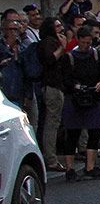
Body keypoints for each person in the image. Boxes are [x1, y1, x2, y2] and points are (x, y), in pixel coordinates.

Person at [59, 26, 100, 181]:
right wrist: (77, 87)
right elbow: (65, 79)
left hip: (94, 97)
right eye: (84, 42)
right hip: (75, 98)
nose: (86, 45)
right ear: (78, 40)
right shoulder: (70, 57)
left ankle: (90, 166)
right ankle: (70, 169)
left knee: (95, 131)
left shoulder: (96, 55)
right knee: (73, 133)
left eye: (89, 42)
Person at [37, 18, 68, 170]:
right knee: (52, 123)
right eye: (57, 26)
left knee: (54, 122)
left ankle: (51, 155)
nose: (60, 28)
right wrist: (62, 48)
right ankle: (51, 158)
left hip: (57, 86)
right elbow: (50, 60)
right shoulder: (48, 42)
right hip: (51, 86)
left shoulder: (53, 40)